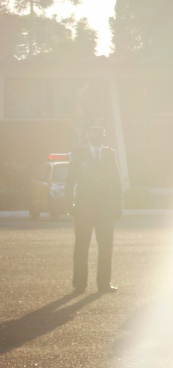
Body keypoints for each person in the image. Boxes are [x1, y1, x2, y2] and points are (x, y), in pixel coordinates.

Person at [65, 124, 123, 294]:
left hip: (105, 210)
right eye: (93, 133)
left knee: (106, 248)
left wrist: (118, 207)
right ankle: (79, 284)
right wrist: (70, 205)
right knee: (81, 247)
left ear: (104, 135)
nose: (97, 136)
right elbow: (70, 182)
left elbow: (116, 183)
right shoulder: (79, 154)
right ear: (88, 135)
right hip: (84, 209)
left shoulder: (109, 154)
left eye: (100, 133)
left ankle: (104, 283)